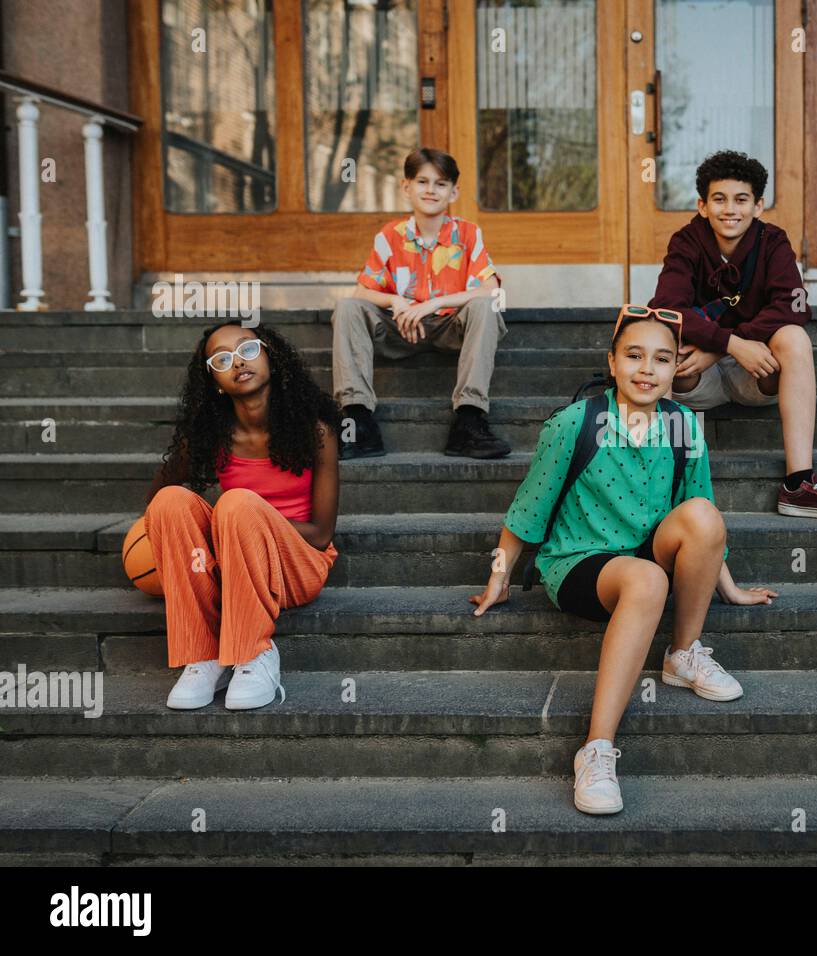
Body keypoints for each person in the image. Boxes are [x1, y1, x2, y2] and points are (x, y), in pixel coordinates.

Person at [470, 305, 779, 814]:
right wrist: (499, 577)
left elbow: (702, 518)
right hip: (580, 562)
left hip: (647, 555)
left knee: (701, 514)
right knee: (647, 581)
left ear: (674, 369)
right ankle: (595, 750)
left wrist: (731, 585)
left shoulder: (683, 425)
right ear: (612, 362)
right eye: (634, 356)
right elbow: (527, 510)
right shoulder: (576, 422)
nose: (646, 369)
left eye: (661, 359)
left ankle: (683, 653)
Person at [649, 149, 817, 520]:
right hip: (693, 377)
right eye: (719, 199)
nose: (730, 209)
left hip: (755, 374)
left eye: (741, 199)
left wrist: (726, 346)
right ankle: (654, 480)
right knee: (659, 338)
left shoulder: (773, 242)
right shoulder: (686, 241)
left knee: (794, 337)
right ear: (702, 205)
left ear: (758, 205)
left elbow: (795, 307)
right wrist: (729, 344)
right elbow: (666, 308)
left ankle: (799, 484)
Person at [145, 323, 342, 711]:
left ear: (271, 357)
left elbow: (320, 534)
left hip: (297, 566)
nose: (238, 362)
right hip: (230, 567)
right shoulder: (210, 435)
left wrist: (249, 524)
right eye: (222, 359)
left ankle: (254, 652)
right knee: (171, 501)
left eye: (248, 350)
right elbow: (156, 500)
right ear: (215, 381)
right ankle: (202, 656)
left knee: (236, 504)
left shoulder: (315, 432)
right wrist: (182, 545)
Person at [331, 147, 510, 460]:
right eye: (422, 182)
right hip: (399, 331)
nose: (431, 190)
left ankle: (469, 419)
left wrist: (432, 304)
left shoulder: (467, 233)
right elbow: (362, 292)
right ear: (406, 187)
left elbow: (491, 289)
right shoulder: (390, 235)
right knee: (347, 307)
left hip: (448, 328)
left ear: (454, 191)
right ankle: (358, 419)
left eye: (440, 184)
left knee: (487, 306)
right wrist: (395, 300)